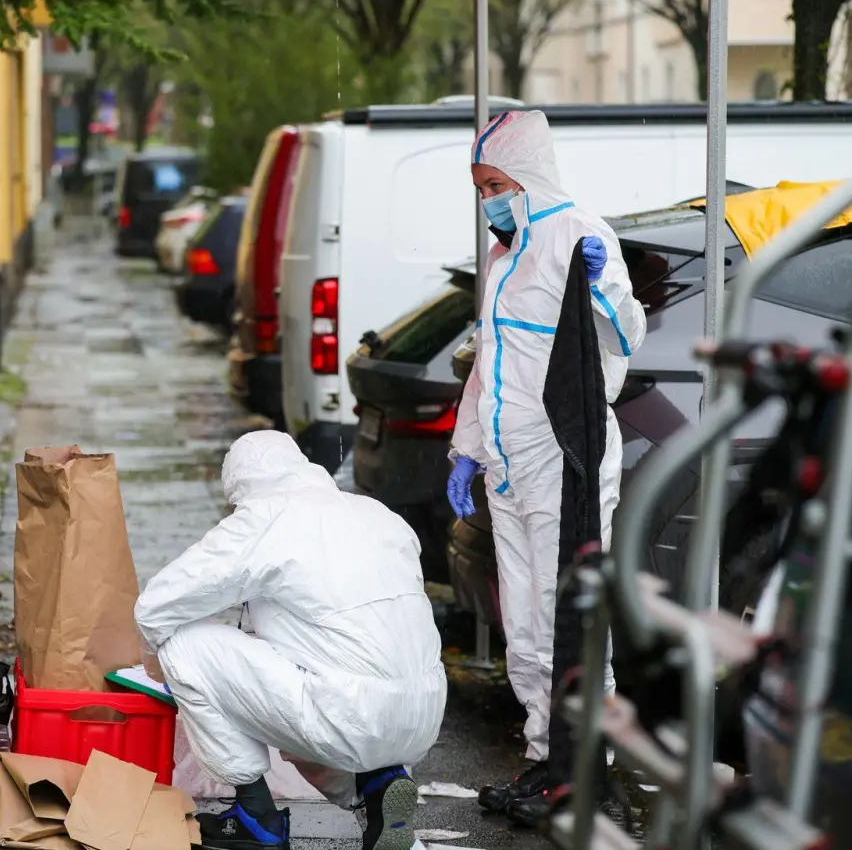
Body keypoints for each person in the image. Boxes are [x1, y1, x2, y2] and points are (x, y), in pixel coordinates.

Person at [444, 109, 646, 825]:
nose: (488, 199)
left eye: (495, 183)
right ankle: (544, 758)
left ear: (527, 177)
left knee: (571, 619)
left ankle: (589, 769)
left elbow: (628, 334)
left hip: (565, 457)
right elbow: (488, 365)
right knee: (524, 625)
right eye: (480, 187)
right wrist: (467, 449)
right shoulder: (504, 257)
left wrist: (600, 288)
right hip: (507, 462)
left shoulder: (580, 235)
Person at [135, 430, 447, 850]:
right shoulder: (378, 514)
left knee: (184, 646)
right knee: (320, 667)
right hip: (422, 714)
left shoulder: (266, 518)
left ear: (242, 487)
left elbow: (156, 605)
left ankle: (255, 818)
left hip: (347, 713)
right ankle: (380, 788)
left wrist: (160, 663)